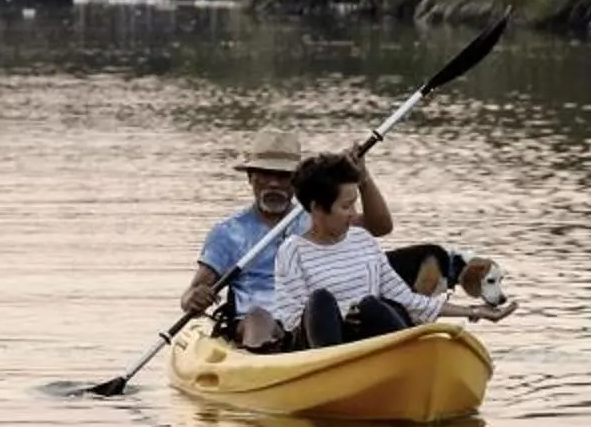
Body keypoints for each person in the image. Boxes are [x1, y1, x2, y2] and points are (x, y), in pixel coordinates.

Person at [180, 129, 494, 349]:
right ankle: (264, 369)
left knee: (362, 302)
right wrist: (194, 298)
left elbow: (380, 226)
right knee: (260, 318)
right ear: (250, 178)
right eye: (264, 174)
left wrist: (363, 177)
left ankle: (397, 351)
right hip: (262, 322)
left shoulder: (318, 215)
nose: (273, 183)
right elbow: (193, 292)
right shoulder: (228, 232)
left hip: (324, 319)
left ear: (296, 182)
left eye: (282, 176)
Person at [258, 151, 515, 348]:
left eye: (354, 205)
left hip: (364, 342)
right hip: (321, 347)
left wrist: (475, 311)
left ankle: (410, 360)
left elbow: (408, 299)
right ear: (317, 208)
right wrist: (344, 316)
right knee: (321, 300)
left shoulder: (363, 241)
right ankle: (336, 376)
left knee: (373, 305)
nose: (354, 214)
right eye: (345, 207)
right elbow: (291, 320)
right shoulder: (292, 251)